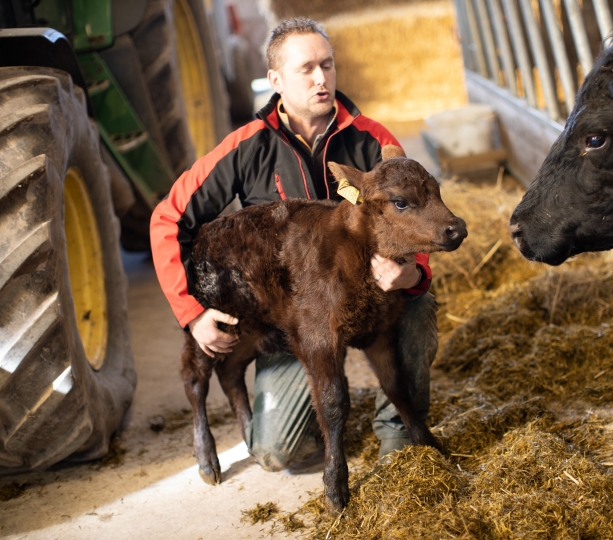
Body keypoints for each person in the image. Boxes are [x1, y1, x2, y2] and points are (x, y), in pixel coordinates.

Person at [150, 17, 438, 470]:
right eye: (306, 69)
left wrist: (413, 270)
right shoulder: (246, 146)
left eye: (327, 64)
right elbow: (167, 219)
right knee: (275, 451)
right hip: (296, 320)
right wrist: (192, 313)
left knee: (419, 303)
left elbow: (418, 209)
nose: (321, 78)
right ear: (276, 80)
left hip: (373, 295)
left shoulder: (374, 142)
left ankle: (398, 429)